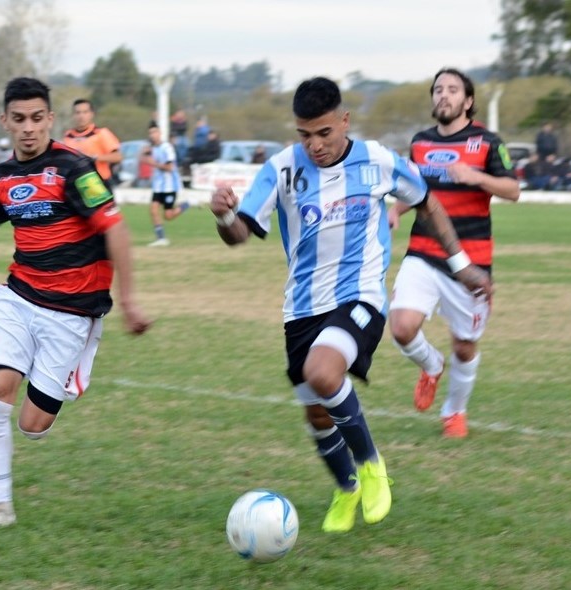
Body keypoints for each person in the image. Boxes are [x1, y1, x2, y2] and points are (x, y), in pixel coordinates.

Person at [210, 76, 492, 533]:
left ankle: (371, 464)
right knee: (316, 412)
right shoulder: (282, 168)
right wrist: (223, 214)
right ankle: (346, 489)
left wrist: (460, 264)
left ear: (344, 121)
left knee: (322, 374)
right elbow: (239, 234)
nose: (315, 145)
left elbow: (427, 202)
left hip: (359, 296)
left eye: (324, 133)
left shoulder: (377, 161)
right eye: (305, 135)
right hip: (301, 308)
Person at [0, 77, 151, 531]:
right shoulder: (1, 177)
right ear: (5, 121)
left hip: (71, 314)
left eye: (37, 118)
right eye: (19, 119)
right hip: (17, 299)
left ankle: (52, 392)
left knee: (32, 424)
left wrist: (128, 300)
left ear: (50, 119)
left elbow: (116, 229)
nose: (28, 128)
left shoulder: (76, 169)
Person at [387, 67, 520, 439]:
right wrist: (396, 211)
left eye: (452, 89)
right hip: (423, 252)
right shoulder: (420, 142)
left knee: (465, 345)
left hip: (472, 261)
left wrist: (476, 177)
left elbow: (512, 190)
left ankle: (454, 412)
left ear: (468, 100)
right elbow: (415, 190)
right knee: (401, 326)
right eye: (438, 89)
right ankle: (431, 366)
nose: (443, 95)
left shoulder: (488, 142)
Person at [143, 122, 190, 247]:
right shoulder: (152, 148)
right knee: (153, 210)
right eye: (150, 133)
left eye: (154, 132)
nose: (152, 135)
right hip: (158, 186)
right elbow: (145, 160)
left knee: (168, 216)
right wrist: (145, 153)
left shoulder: (167, 147)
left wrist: (154, 164)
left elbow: (170, 167)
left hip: (170, 186)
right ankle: (161, 238)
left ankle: (185, 206)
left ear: (159, 133)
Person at [62, 99, 122, 189]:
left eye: (85, 112)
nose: (81, 116)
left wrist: (94, 158)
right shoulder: (68, 136)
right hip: (75, 185)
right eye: (78, 113)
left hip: (99, 183)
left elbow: (118, 157)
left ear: (91, 114)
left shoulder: (101, 133)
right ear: (73, 115)